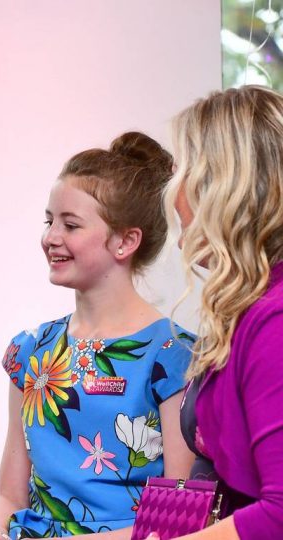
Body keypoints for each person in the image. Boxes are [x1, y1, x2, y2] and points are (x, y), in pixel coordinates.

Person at [0, 132, 197, 539]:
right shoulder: (30, 351)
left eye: (71, 225)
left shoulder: (174, 355)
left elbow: (179, 521)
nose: (51, 238)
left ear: (125, 241)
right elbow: (8, 497)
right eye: (49, 221)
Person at [141, 85, 283, 540]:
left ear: (223, 184)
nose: (172, 189)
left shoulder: (274, 321)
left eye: (182, 169)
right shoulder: (250, 311)